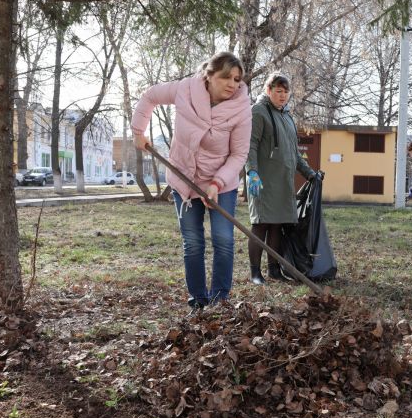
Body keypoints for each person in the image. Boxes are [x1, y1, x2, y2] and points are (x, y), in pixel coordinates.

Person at [131, 52, 252, 314]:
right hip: (184, 181)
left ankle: (220, 301)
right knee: (193, 241)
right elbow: (150, 96)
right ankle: (198, 300)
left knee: (223, 240)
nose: (233, 84)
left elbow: (239, 154)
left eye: (237, 79)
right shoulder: (185, 89)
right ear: (209, 76)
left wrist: (217, 184)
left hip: (222, 183)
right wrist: (139, 131)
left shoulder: (242, 109)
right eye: (226, 77)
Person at [245, 72, 317, 284]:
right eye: (278, 91)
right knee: (261, 224)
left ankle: (274, 270)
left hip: (283, 182)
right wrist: (252, 172)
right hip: (263, 179)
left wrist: (309, 174)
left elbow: (293, 153)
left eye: (286, 92)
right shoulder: (258, 111)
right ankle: (255, 273)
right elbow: (250, 144)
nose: (283, 96)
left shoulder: (287, 116)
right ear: (269, 91)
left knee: (277, 225)